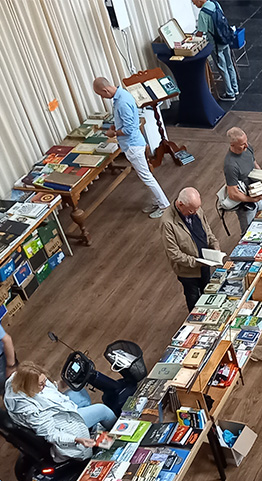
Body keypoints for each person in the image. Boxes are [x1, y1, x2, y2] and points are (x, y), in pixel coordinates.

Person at [4, 361, 116, 462]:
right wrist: (76, 439)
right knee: (102, 410)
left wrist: (61, 384)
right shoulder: (30, 412)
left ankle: (93, 428)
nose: (44, 385)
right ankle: (120, 434)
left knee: (79, 393)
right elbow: (52, 433)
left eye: (44, 381)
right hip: (61, 423)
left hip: (59, 410)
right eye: (41, 384)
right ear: (29, 386)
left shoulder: (22, 380)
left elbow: (50, 389)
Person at [92, 77, 170, 219]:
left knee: (147, 177)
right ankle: (156, 202)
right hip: (134, 143)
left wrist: (113, 133)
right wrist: (116, 126)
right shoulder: (122, 95)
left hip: (132, 145)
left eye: (101, 95)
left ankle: (164, 205)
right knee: (145, 176)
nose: (102, 97)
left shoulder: (121, 102)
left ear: (105, 90)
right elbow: (125, 122)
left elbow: (129, 129)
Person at [162, 187, 221, 310]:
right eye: (191, 210)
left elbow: (207, 231)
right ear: (180, 204)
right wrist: (197, 262)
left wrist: (214, 244)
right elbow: (174, 254)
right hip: (188, 272)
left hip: (205, 263)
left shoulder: (195, 209)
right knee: (193, 299)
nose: (196, 212)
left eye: (197, 208)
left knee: (209, 293)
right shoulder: (167, 223)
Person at [224, 127, 262, 233]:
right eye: (242, 144)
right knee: (249, 232)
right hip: (246, 205)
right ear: (232, 145)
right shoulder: (230, 165)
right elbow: (233, 193)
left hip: (256, 194)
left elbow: (254, 162)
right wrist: (252, 200)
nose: (246, 145)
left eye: (246, 141)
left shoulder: (247, 148)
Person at [192, 0, 239, 101]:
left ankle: (230, 93)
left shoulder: (203, 13)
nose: (194, 4)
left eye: (194, 1)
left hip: (215, 44)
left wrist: (192, 39)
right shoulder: (215, 3)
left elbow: (201, 32)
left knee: (222, 67)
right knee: (229, 64)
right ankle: (235, 88)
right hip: (225, 38)